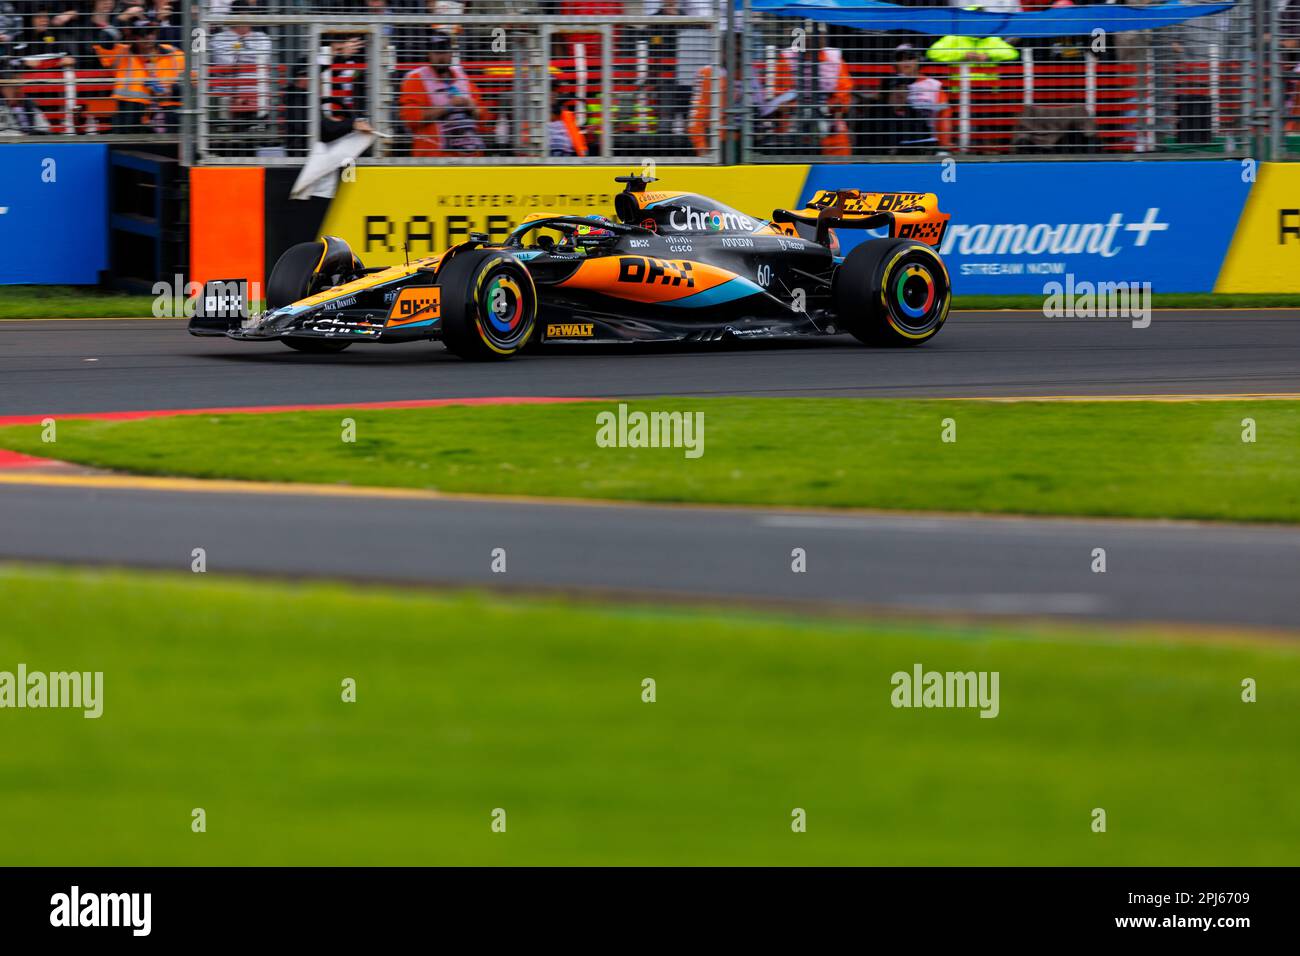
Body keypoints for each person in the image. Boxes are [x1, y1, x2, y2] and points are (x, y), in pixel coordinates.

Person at [398, 30, 486, 157]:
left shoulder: (462, 76)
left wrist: (471, 106)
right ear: (429, 54)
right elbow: (410, 118)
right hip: (434, 160)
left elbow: (482, 114)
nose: (441, 57)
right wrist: (448, 107)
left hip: (470, 158)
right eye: (437, 53)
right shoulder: (416, 79)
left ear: (451, 54)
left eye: (444, 52)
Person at [99, 15, 183, 132]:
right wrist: (121, 18)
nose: (149, 37)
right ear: (134, 37)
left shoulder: (173, 53)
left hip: (168, 115)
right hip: (130, 115)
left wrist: (171, 90)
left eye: (152, 32)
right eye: (143, 34)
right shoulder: (121, 53)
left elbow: (194, 83)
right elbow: (104, 39)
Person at [881, 43, 942, 153]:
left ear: (918, 60)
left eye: (910, 57)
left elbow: (944, 116)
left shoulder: (934, 85)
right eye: (900, 59)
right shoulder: (888, 84)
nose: (906, 62)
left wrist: (943, 146)